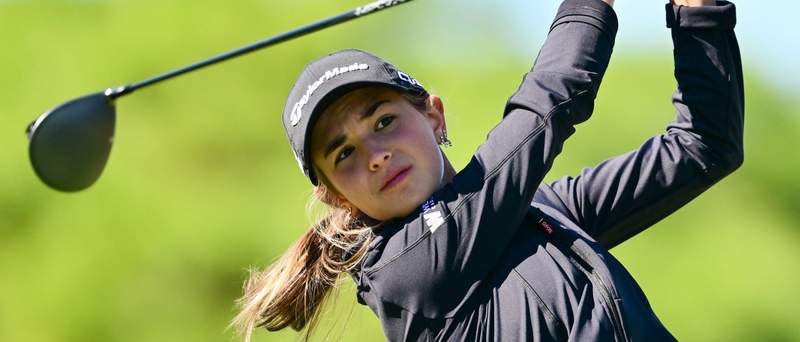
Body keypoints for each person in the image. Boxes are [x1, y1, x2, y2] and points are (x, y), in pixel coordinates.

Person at [233, 0, 743, 340]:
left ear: (434, 115)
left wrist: (698, 12)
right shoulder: (402, 275)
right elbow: (547, 106)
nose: (375, 154)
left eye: (384, 120)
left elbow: (703, 146)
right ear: (337, 197)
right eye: (343, 154)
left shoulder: (542, 213)